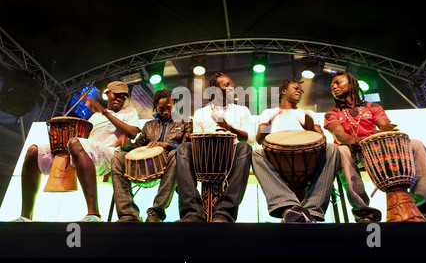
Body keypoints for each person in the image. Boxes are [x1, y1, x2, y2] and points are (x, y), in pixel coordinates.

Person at [13, 81, 140, 222]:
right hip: (87, 152)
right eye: (116, 95)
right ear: (107, 94)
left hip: (111, 156)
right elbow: (85, 138)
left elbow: (133, 132)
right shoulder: (95, 117)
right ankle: (25, 216)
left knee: (75, 142)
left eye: (123, 97)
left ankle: (94, 214)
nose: (119, 99)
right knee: (33, 151)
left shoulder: (129, 112)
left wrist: (105, 113)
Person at [324, 72, 426, 222]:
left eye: (338, 82)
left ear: (352, 84)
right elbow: (341, 137)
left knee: (416, 144)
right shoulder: (331, 113)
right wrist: (362, 140)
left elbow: (385, 127)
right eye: (332, 85)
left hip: (380, 151)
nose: (334, 86)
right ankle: (363, 213)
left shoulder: (373, 107)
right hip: (355, 155)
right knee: (341, 150)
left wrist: (382, 132)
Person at [252, 78, 340, 223]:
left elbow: (322, 140)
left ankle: (312, 209)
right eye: (295, 88)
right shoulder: (269, 112)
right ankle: (287, 206)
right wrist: (270, 122)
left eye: (301, 89)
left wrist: (310, 128)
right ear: (283, 91)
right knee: (256, 154)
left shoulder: (308, 113)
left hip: (309, 161)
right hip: (277, 161)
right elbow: (260, 140)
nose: (299, 91)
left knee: (332, 148)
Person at [176, 72, 255, 222]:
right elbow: (196, 142)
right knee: (183, 148)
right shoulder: (201, 113)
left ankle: (224, 213)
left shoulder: (242, 111)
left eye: (232, 84)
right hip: (205, 160)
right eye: (227, 85)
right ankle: (192, 213)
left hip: (232, 157)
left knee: (245, 148)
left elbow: (250, 139)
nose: (232, 88)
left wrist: (230, 129)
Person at [111, 89, 191, 222]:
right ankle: (128, 214)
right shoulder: (149, 126)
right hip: (148, 165)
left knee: (176, 153)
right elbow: (137, 147)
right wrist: (126, 145)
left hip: (173, 163)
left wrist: (168, 145)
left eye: (169, 108)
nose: (165, 112)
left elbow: (187, 147)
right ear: (156, 108)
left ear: (176, 105)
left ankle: (156, 212)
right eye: (161, 109)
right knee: (118, 158)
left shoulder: (185, 123)